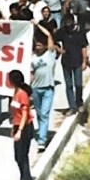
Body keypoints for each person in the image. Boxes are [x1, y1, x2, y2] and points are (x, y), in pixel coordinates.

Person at [54, 14, 88, 116]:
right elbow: (53, 40)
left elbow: (84, 47)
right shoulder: (62, 32)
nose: (68, 22)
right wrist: (59, 49)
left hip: (77, 61)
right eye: (66, 21)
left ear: (73, 21)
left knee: (78, 84)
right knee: (69, 85)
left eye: (69, 20)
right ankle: (72, 106)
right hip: (66, 62)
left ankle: (79, 103)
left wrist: (84, 62)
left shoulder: (80, 32)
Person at [30, 21, 56, 150]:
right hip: (36, 89)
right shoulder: (32, 58)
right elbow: (31, 74)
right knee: (39, 114)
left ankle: (42, 140)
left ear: (45, 46)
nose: (38, 47)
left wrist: (37, 25)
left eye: (40, 45)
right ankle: (42, 131)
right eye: (37, 45)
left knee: (45, 114)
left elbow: (49, 35)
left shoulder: (50, 54)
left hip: (48, 89)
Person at [8, 70, 34, 180]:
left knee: (22, 156)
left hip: (25, 128)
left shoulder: (22, 94)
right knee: (19, 157)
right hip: (18, 126)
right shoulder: (16, 92)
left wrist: (19, 131)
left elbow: (24, 114)